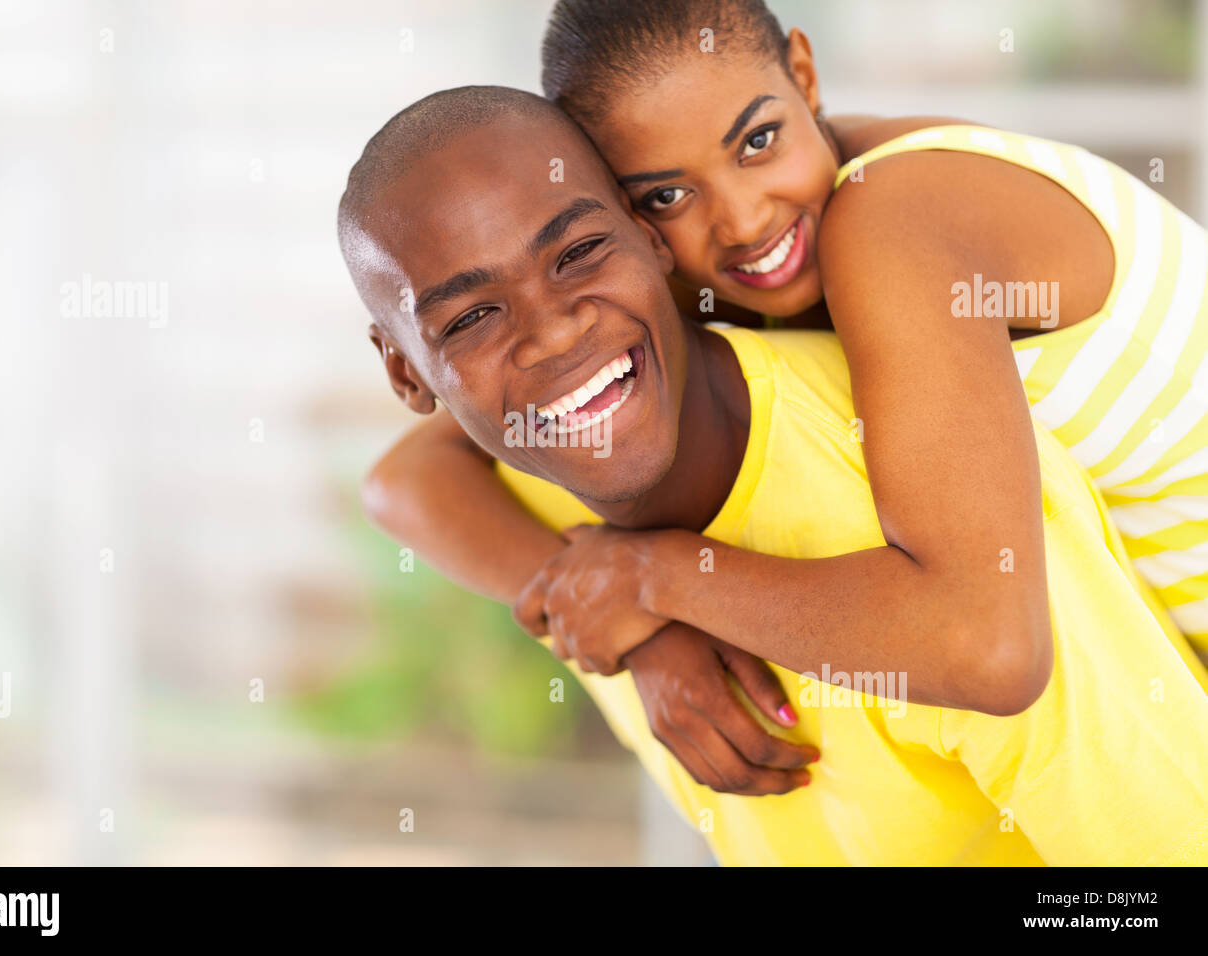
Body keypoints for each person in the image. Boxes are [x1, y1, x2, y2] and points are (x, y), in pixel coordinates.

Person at [337, 85, 1208, 864]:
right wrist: (636, 620)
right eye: (473, 316)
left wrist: (651, 579)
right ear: (408, 375)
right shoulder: (538, 472)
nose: (557, 334)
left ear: (650, 244)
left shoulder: (937, 519)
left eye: (579, 254)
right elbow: (400, 483)